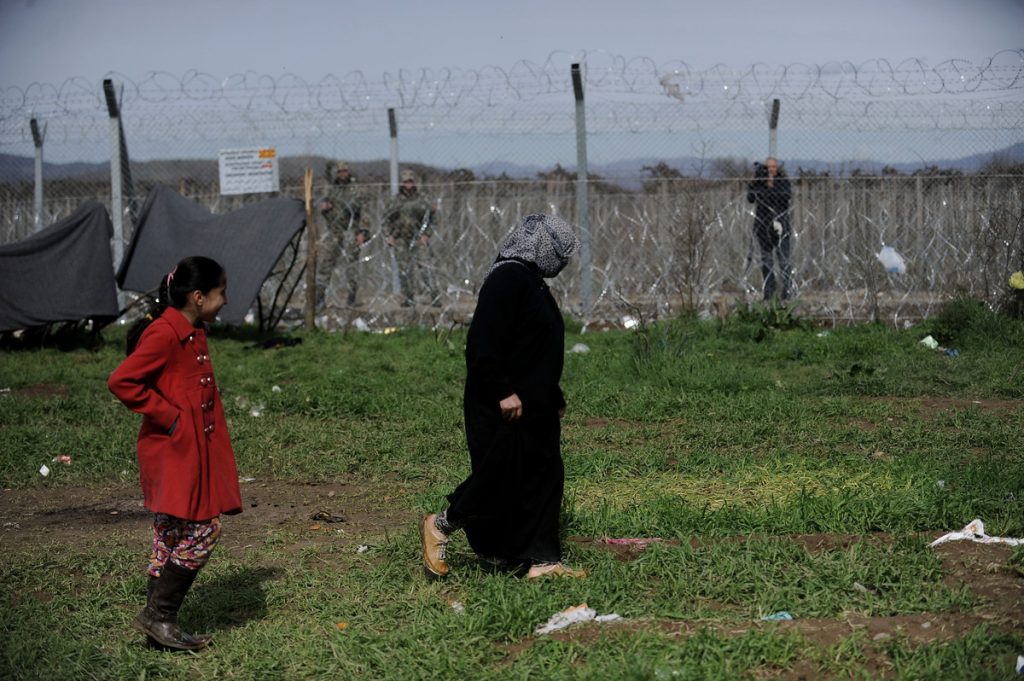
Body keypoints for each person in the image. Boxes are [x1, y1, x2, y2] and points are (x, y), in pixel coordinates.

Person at [420, 213, 585, 580]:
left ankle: (541, 560)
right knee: (500, 476)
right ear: (541, 246)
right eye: (559, 252)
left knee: (543, 476)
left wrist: (552, 393)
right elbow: (483, 345)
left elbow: (531, 346)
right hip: (505, 404)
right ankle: (441, 525)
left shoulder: (530, 281)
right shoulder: (509, 279)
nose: (563, 262)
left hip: (534, 403)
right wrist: (503, 391)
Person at [108, 256, 242, 651]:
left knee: (170, 533)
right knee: (204, 529)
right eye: (222, 293)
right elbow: (122, 381)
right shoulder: (165, 332)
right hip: (172, 450)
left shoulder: (192, 327)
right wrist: (170, 418)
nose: (226, 300)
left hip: (186, 449)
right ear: (198, 297)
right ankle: (159, 615)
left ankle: (158, 626)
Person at [384, 169, 439, 307]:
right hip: (401, 238)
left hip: (419, 237)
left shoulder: (423, 199)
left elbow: (434, 218)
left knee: (426, 267)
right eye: (405, 181)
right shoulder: (395, 200)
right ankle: (408, 298)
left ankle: (434, 296)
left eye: (410, 181)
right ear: (402, 183)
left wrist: (427, 234)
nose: (408, 184)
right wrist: (388, 235)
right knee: (404, 269)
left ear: (414, 182)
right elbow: (385, 219)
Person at [318, 161, 369, 308]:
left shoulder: (356, 190)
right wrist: (324, 208)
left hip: (350, 231)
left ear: (349, 172)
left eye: (344, 171)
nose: (342, 174)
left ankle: (352, 297)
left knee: (351, 266)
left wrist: (362, 232)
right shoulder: (331, 190)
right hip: (334, 232)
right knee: (325, 265)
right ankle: (320, 297)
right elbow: (324, 210)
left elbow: (364, 212)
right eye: (339, 172)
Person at [746, 157, 793, 301]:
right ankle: (769, 291)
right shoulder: (759, 182)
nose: (771, 170)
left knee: (783, 259)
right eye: (768, 168)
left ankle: (787, 291)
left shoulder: (783, 181)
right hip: (763, 226)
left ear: (777, 168)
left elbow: (785, 196)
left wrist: (771, 187)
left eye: (773, 167)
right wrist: (755, 184)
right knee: (766, 260)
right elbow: (751, 198)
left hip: (780, 225)